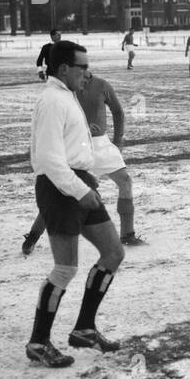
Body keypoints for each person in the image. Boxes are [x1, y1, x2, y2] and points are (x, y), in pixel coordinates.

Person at [23, 40, 125, 367]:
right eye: (82, 67)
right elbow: (50, 161)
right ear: (64, 69)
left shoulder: (66, 96)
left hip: (80, 183)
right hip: (60, 189)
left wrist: (87, 180)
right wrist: (79, 190)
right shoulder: (52, 101)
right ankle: (39, 342)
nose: (88, 72)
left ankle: (84, 329)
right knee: (65, 268)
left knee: (113, 253)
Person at [24, 62, 147, 253]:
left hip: (102, 145)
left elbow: (118, 111)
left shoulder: (102, 86)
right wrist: (84, 129)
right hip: (76, 146)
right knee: (62, 193)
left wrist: (118, 140)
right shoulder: (63, 94)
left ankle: (127, 235)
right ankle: (32, 237)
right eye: (79, 71)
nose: (83, 76)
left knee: (125, 182)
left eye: (85, 71)